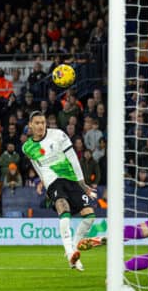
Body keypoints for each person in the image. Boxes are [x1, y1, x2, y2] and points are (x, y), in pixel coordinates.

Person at [22, 111, 97, 271]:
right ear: (30, 125)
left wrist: (82, 182)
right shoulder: (27, 147)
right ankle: (70, 253)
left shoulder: (58, 135)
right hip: (53, 181)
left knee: (89, 215)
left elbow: (73, 158)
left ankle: (74, 247)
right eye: (37, 123)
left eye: (43, 122)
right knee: (63, 207)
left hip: (70, 178)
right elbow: (36, 164)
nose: (40, 126)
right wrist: (42, 180)